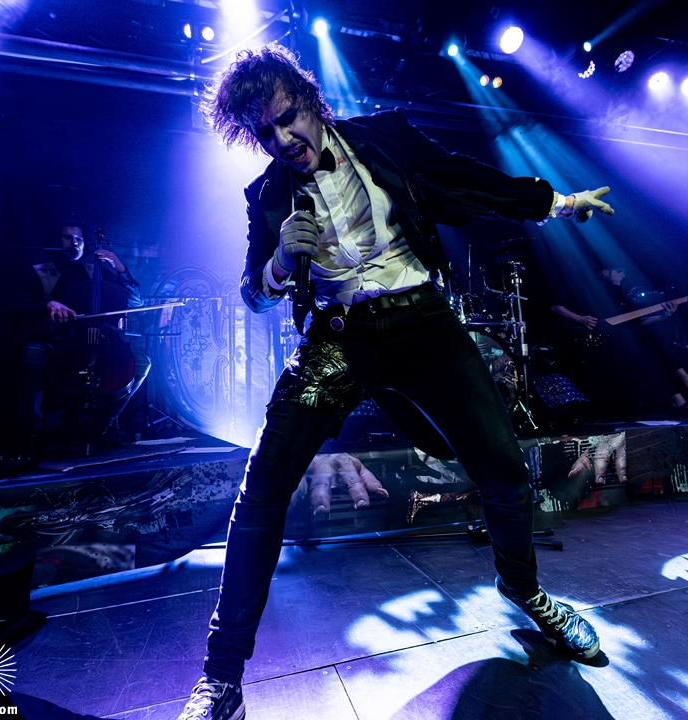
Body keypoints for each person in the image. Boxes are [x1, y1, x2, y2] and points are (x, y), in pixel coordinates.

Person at [178, 44, 614, 719]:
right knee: (260, 491)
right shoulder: (265, 196)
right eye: (264, 132)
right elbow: (252, 294)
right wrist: (277, 264)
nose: (282, 139)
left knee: (504, 472)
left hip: (422, 325)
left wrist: (557, 201)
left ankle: (525, 592)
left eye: (288, 118)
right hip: (337, 339)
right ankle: (220, 678)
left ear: (311, 100)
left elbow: (465, 177)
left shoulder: (384, 137)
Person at [14, 222, 151, 451]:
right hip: (54, 340)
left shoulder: (95, 271)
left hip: (99, 342)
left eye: (79, 239)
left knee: (141, 363)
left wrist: (119, 267)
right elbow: (18, 311)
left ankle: (104, 422)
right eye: (67, 238)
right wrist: (47, 305)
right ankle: (30, 431)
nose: (74, 243)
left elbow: (136, 302)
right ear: (56, 242)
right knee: (32, 353)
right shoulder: (38, 272)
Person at [551, 267, 688, 416]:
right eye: (619, 270)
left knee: (652, 342)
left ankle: (680, 394)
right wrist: (580, 319)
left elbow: (635, 324)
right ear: (605, 271)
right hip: (584, 340)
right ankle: (684, 388)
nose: (623, 275)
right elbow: (556, 308)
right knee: (648, 346)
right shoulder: (582, 285)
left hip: (614, 340)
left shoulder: (619, 295)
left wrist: (664, 316)